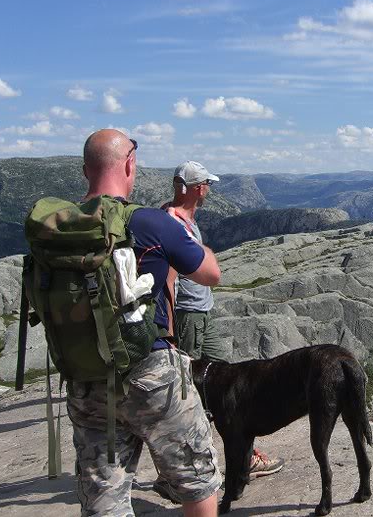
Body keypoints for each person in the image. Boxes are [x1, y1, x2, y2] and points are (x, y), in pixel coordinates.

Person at [68, 129, 221, 516]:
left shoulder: (61, 227)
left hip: (86, 377)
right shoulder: (151, 222)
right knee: (197, 479)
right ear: (130, 164)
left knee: (104, 497)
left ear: (86, 170)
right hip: (148, 369)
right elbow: (210, 274)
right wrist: (181, 235)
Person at [163, 161, 285, 479]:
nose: (209, 190)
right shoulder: (172, 221)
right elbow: (168, 281)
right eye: (206, 184)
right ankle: (176, 468)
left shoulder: (187, 220)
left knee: (226, 383)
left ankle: (244, 456)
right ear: (196, 188)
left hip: (203, 312)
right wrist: (170, 330)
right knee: (187, 391)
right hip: (188, 316)